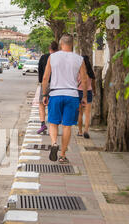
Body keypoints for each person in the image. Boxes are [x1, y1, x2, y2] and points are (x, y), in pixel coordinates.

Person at [42, 34, 88, 164]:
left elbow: (45, 78)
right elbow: (84, 79)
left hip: (56, 94)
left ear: (61, 44)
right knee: (67, 126)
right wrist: (84, 97)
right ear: (72, 44)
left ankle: (54, 143)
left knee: (53, 123)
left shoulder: (53, 57)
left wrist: (45, 94)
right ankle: (62, 155)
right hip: (72, 95)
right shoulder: (79, 59)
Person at [37, 41, 59, 134]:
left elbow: (41, 72)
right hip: (57, 85)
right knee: (53, 105)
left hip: (45, 84)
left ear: (49, 49)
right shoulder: (59, 58)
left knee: (41, 104)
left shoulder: (43, 57)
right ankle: (53, 126)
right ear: (57, 49)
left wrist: (41, 82)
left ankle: (43, 124)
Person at [77, 55, 96, 139]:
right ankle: (86, 131)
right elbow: (93, 85)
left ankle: (80, 132)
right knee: (87, 114)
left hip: (78, 92)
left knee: (80, 114)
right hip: (88, 92)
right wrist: (94, 92)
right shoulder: (91, 73)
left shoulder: (78, 72)